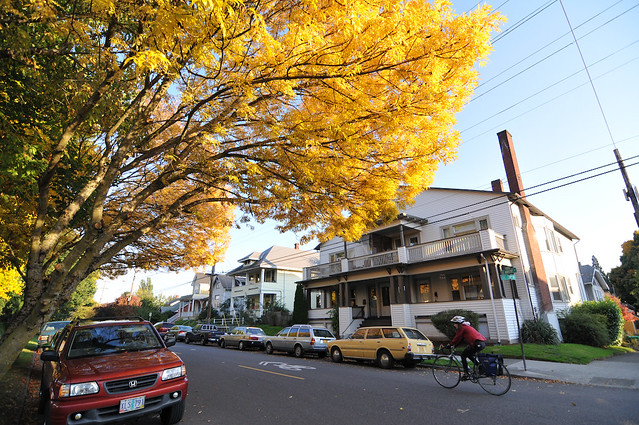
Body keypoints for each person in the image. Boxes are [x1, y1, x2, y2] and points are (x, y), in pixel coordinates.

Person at [448, 315, 487, 380]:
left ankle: (466, 373)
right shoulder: (466, 327)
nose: (454, 325)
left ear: (458, 324)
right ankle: (480, 367)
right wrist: (454, 345)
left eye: (454, 324)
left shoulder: (463, 328)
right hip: (480, 343)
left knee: (463, 355)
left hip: (477, 344)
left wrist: (449, 345)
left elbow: (457, 338)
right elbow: (460, 339)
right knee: (468, 354)